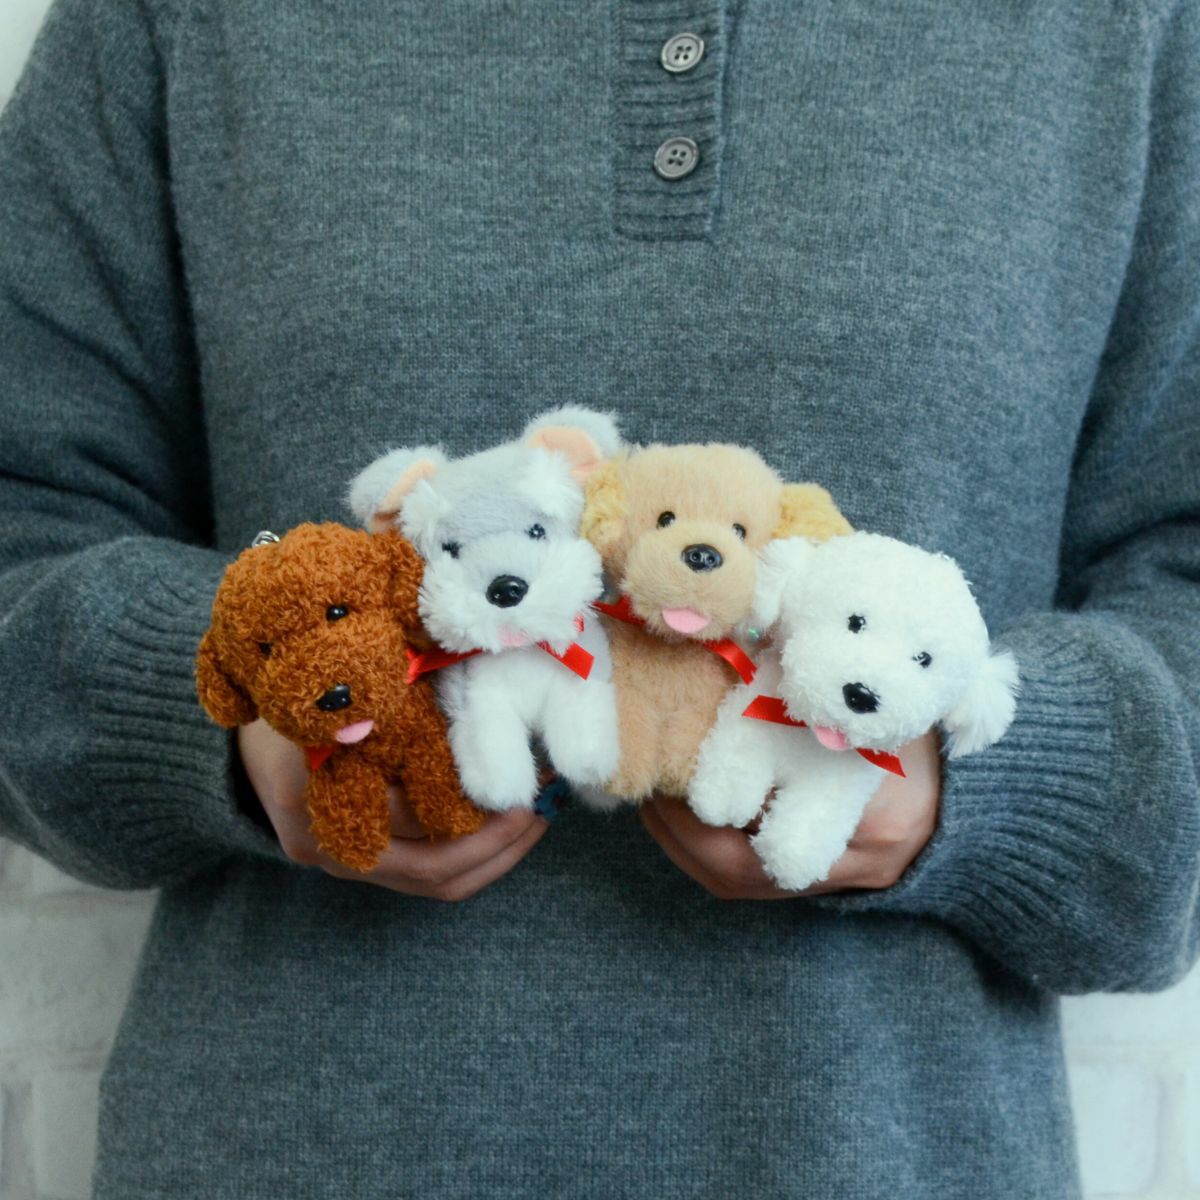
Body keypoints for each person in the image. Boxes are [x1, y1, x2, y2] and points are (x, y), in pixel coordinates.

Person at [1, 1, 1197, 1196]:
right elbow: (25, 518)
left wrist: (983, 772)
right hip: (294, 1148)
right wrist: (254, 703)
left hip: (888, 1155)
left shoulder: (1122, 27)